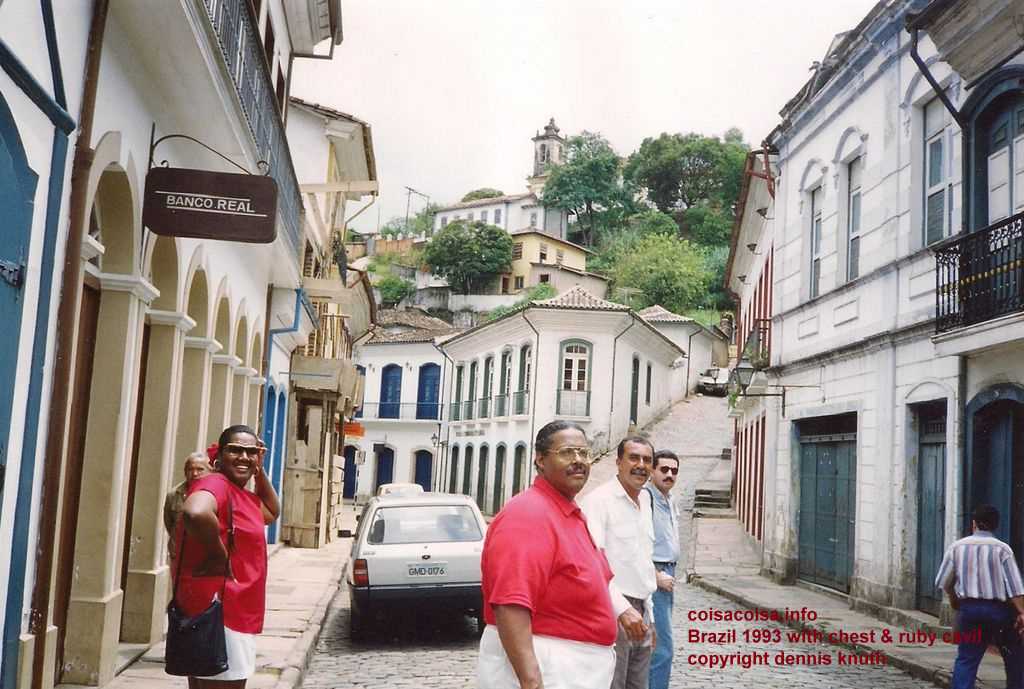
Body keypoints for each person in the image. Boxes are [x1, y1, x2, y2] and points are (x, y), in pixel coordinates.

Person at [477, 420, 618, 689]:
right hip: (549, 667)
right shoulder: (528, 514)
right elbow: (510, 601)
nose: (578, 460)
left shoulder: (567, 511)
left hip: (572, 669)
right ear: (540, 460)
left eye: (583, 453)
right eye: (567, 452)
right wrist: (531, 681)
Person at [175, 425, 281, 688]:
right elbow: (196, 512)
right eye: (235, 450)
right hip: (222, 615)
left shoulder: (240, 495)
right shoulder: (216, 485)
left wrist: (259, 470)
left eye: (251, 452)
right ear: (218, 457)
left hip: (227, 611)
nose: (244, 456)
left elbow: (271, 510)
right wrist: (218, 556)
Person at [581, 436, 657, 689]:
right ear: (618, 462)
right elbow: (592, 563)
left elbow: (643, 562)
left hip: (641, 612)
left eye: (647, 460)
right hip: (611, 610)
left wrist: (650, 617)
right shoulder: (598, 501)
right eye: (634, 457)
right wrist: (622, 610)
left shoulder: (646, 500)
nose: (641, 465)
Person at [934, 504, 1024, 689]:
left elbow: (944, 581)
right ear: (995, 525)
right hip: (999, 612)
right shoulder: (1003, 549)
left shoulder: (957, 547)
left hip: (969, 610)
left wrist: (953, 599)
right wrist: (1022, 612)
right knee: (1014, 656)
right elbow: (1015, 588)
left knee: (967, 658)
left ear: (973, 524)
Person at [644, 449, 680, 689]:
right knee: (662, 649)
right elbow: (635, 544)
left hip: (668, 572)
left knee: (654, 644)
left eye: (674, 471)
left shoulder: (669, 499)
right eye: (664, 469)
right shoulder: (646, 498)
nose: (669, 474)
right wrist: (655, 576)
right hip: (656, 574)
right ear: (652, 471)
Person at [163, 452, 212, 559]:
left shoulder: (215, 494)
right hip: (179, 554)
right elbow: (169, 523)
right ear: (185, 472)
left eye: (200, 469)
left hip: (206, 556)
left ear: (210, 472)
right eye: (190, 469)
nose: (194, 473)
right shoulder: (174, 494)